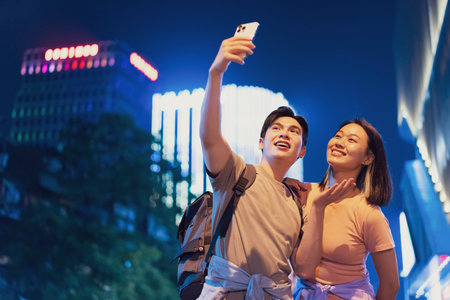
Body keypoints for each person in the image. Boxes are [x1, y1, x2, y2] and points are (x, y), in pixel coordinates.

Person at [198, 35, 355, 299]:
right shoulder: (236, 173)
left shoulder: (296, 202)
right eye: (277, 128)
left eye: (294, 132)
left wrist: (317, 208)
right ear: (261, 142)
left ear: (301, 151)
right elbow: (209, 136)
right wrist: (216, 72)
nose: (284, 134)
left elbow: (304, 268)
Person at [292, 119, 400, 300]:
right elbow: (301, 269)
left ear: (368, 158)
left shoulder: (369, 214)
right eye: (338, 136)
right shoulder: (304, 193)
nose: (340, 142)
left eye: (352, 140)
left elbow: (391, 284)